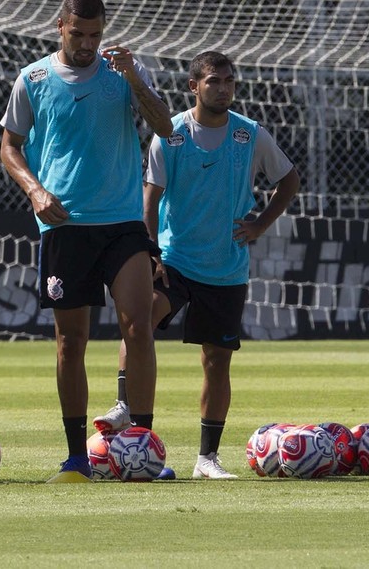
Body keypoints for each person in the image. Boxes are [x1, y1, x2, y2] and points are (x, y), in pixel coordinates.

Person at [94, 51, 300, 479]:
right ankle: (125, 404)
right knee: (140, 320)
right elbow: (150, 199)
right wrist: (151, 251)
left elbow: (289, 178)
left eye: (228, 81)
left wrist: (261, 224)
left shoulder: (249, 134)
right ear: (194, 86)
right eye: (213, 81)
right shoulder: (170, 135)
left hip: (225, 267)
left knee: (217, 361)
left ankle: (207, 459)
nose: (223, 88)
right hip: (175, 259)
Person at [0, 0, 174, 482]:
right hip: (65, 225)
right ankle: (77, 458)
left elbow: (166, 128)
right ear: (60, 27)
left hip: (122, 223)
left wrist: (134, 78)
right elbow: (9, 147)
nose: (86, 44)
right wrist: (35, 191)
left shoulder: (123, 74)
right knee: (70, 342)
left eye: (95, 35)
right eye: (78, 34)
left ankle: (143, 449)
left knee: (138, 326)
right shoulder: (33, 79)